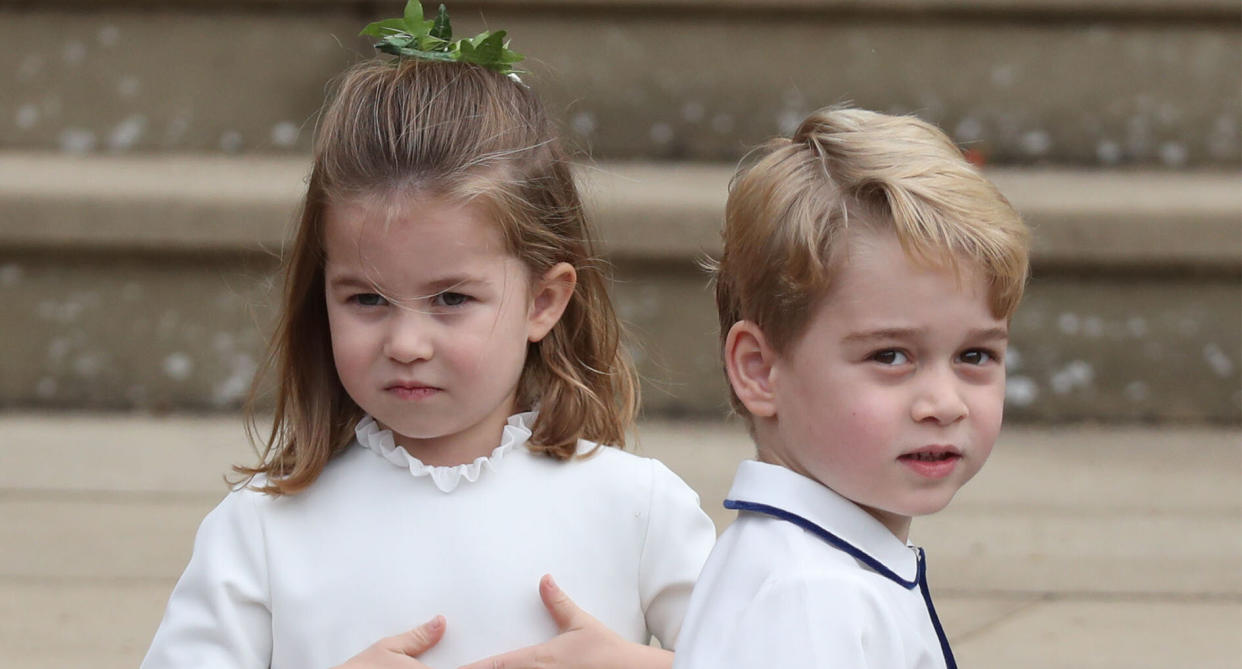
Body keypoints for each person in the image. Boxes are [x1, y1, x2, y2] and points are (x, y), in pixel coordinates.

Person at [140, 4, 715, 668]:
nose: (406, 342)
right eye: (366, 298)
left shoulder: (635, 507)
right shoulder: (262, 529)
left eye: (450, 298)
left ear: (544, 300)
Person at [673, 107, 1030, 669]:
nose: (944, 404)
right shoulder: (814, 592)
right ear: (760, 370)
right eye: (890, 356)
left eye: (974, 355)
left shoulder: (812, 563)